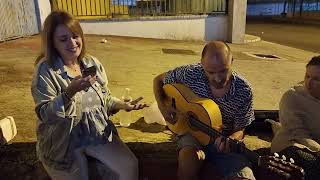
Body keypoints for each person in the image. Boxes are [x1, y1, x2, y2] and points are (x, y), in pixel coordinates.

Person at [31, 10, 147, 180]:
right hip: (64, 141)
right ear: (52, 43)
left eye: (75, 36)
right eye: (63, 39)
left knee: (129, 166)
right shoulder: (45, 71)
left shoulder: (91, 63)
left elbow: (103, 99)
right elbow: (45, 114)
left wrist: (122, 105)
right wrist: (69, 92)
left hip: (95, 133)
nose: (72, 43)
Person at [153, 41, 256, 180]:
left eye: (223, 70)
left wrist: (232, 139)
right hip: (191, 134)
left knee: (244, 176)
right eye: (211, 72)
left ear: (232, 61)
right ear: (202, 63)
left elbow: (241, 129)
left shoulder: (244, 90)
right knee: (187, 160)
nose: (218, 78)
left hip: (223, 142)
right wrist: (163, 107)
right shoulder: (190, 73)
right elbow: (158, 80)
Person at [271, 56, 320, 180]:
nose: (309, 83)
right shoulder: (292, 97)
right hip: (291, 145)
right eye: (307, 76)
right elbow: (298, 133)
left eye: (316, 79)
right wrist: (318, 150)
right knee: (312, 163)